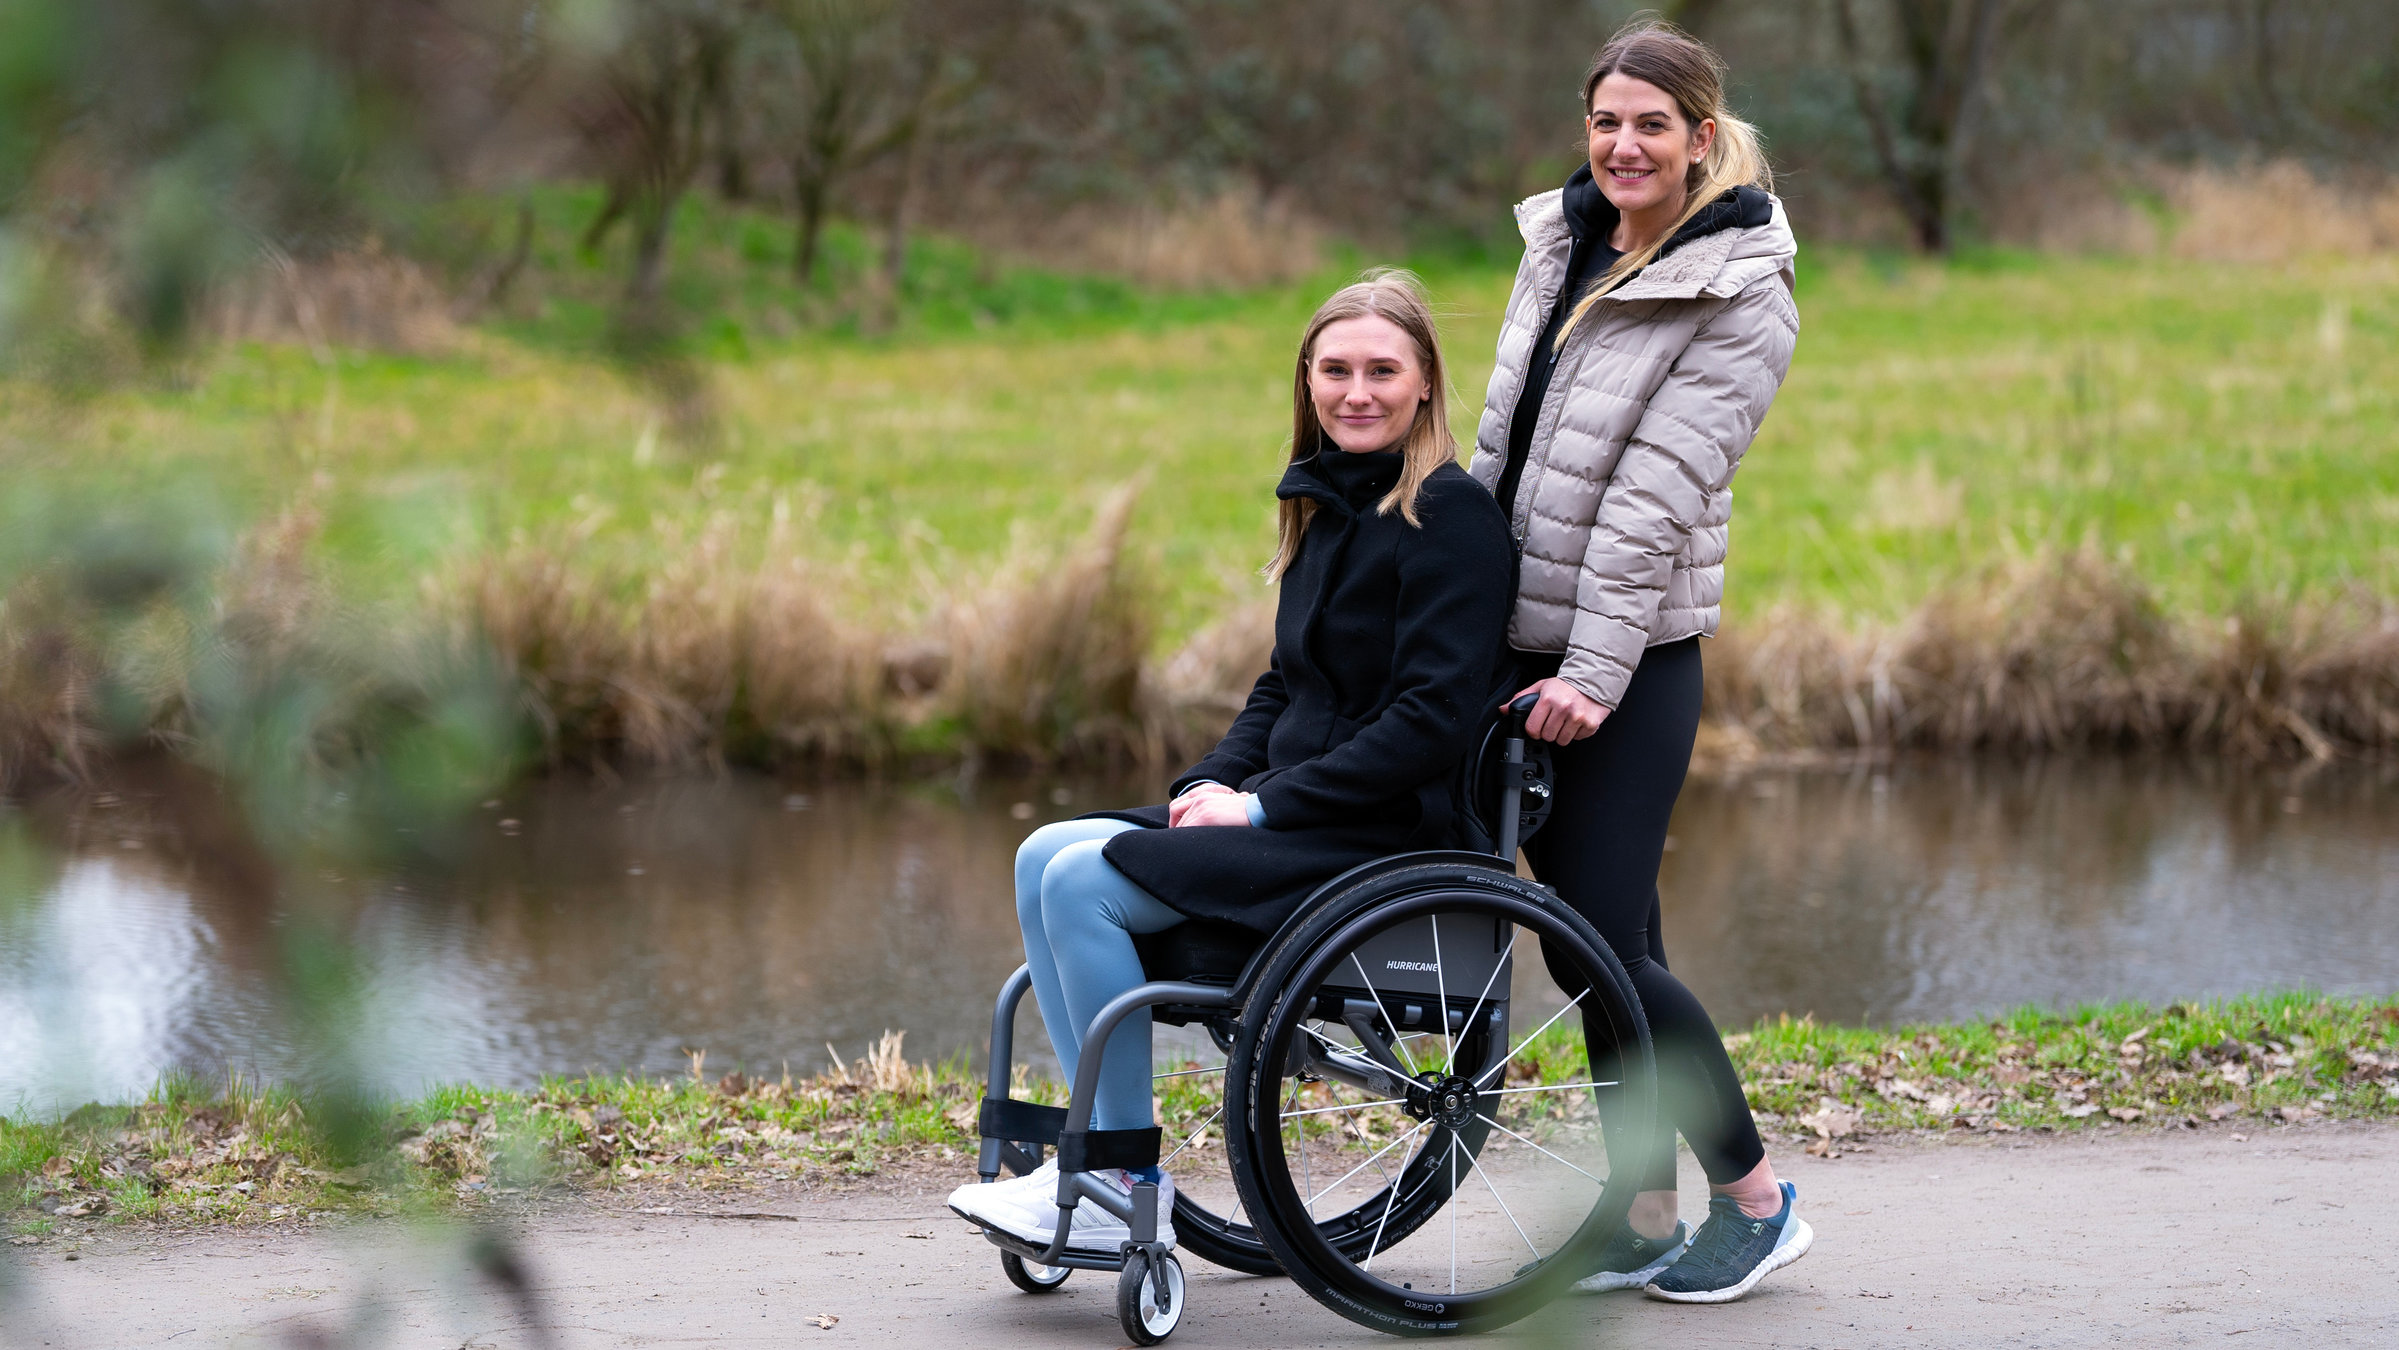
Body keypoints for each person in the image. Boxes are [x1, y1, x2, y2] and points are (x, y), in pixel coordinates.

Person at [946, 270, 1514, 1253]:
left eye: (1382, 370)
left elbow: (1428, 721)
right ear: (1306, 383)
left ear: (1425, 383)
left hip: (1379, 831)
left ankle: (1121, 1171)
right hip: (1296, 812)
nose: (1356, 391)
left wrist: (1259, 811)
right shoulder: (1326, 506)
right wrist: (1208, 784)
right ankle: (1098, 1157)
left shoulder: (1450, 518)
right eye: (1334, 370)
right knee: (1042, 851)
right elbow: (1282, 687)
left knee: (1085, 884)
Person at [1470, 19, 1811, 1304]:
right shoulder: (1558, 239)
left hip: (1626, 659)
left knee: (1598, 939)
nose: (1622, 144)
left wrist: (1595, 674)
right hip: (1525, 640)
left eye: (1650, 125)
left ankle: (1757, 1198)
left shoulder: (1740, 288)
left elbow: (1652, 505)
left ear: (1700, 139)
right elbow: (1504, 437)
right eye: (1606, 120)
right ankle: (1639, 1206)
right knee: (1604, 936)